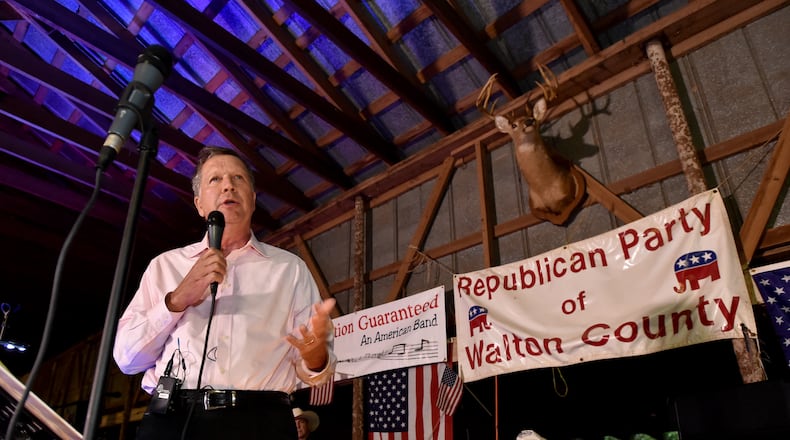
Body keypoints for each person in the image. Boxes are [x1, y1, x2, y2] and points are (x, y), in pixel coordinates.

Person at [113, 146, 336, 439]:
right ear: (199, 204)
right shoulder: (165, 266)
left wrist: (316, 353)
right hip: (174, 420)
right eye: (215, 179)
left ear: (253, 200)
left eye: (238, 178)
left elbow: (317, 369)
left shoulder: (289, 269)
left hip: (262, 422)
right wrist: (177, 300)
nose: (228, 185)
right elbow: (127, 359)